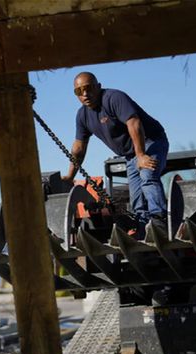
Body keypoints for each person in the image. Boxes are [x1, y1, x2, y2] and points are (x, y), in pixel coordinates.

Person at [63, 72, 169, 237]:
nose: (84, 94)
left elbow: (134, 122)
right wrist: (70, 176)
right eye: (79, 91)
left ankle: (160, 222)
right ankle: (143, 232)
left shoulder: (113, 98)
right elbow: (79, 147)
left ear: (98, 87)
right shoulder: (82, 115)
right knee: (136, 195)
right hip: (129, 155)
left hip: (151, 141)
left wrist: (141, 155)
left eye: (88, 88)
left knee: (147, 174)